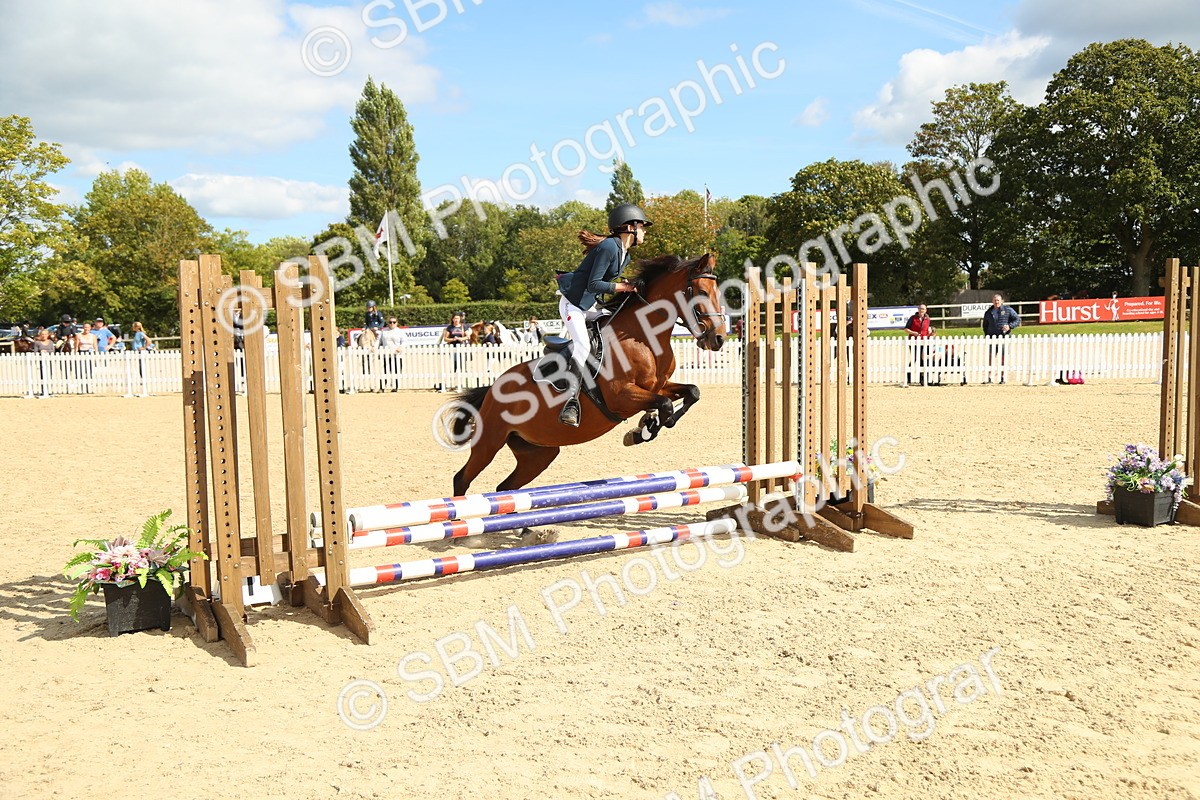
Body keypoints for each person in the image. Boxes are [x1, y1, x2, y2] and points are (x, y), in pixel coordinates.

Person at [553, 202, 648, 426]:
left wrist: (622, 286)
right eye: (642, 226)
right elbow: (594, 284)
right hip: (573, 305)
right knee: (583, 346)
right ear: (629, 227)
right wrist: (621, 288)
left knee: (614, 327)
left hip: (590, 306)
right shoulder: (609, 247)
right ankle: (571, 402)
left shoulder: (625, 255)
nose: (644, 231)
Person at [981, 293, 1020, 383]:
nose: (996, 302)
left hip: (1004, 338)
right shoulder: (988, 312)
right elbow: (985, 325)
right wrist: (987, 335)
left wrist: (1009, 326)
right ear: (992, 301)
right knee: (990, 357)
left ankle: (1002, 377)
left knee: (1003, 358)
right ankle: (989, 378)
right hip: (992, 338)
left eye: (998, 300)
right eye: (995, 300)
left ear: (1001, 301)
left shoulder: (1008, 310)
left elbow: (1017, 319)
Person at [905, 303, 936, 386]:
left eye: (923, 309)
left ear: (926, 310)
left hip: (924, 341)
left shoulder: (927, 319)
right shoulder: (913, 318)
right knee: (915, 358)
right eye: (920, 309)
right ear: (918, 310)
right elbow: (906, 329)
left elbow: (927, 328)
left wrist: (929, 330)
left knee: (923, 359)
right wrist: (913, 333)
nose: (921, 310)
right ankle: (908, 378)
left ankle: (922, 379)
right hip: (914, 341)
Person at [376, 317, 407, 391]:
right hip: (386, 355)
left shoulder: (400, 332)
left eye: (394, 322)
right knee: (385, 371)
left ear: (397, 323)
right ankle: (382, 387)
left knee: (396, 371)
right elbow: (378, 341)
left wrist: (401, 347)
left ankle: (395, 387)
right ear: (388, 323)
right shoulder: (383, 331)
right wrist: (375, 348)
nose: (392, 324)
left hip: (397, 355)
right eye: (390, 322)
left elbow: (404, 341)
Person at [440, 312, 469, 391]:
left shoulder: (464, 327)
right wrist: (453, 339)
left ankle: (463, 383)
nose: (456, 320)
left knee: (463, 365)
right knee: (456, 365)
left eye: (457, 318)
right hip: (453, 348)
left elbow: (468, 336)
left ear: (460, 319)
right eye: (455, 318)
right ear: (452, 319)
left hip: (462, 347)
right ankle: (453, 383)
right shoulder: (450, 327)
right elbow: (445, 338)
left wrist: (461, 339)